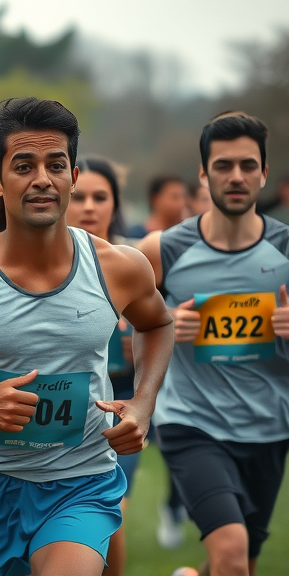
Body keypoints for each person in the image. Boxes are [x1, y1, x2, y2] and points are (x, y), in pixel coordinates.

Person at [0, 97, 174, 576]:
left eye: (56, 165)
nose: (42, 180)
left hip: (83, 481)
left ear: (73, 174)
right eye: (24, 166)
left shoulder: (119, 266)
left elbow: (157, 323)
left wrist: (143, 401)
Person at [137, 111, 289, 576]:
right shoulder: (162, 250)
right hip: (192, 424)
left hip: (268, 427)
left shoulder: (286, 250)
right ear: (204, 175)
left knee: (241, 561)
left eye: (247, 165)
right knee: (230, 552)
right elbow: (117, 326)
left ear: (264, 172)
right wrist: (164, 323)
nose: (236, 176)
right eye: (223, 166)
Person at [65, 154, 137, 576]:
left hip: (117, 410)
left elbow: (163, 326)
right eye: (82, 197)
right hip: (55, 413)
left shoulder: (133, 263)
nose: (90, 207)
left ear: (115, 203)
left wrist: (136, 345)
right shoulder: (40, 263)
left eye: (101, 197)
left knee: (114, 516)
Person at [125, 175, 187, 239]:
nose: (181, 203)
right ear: (155, 199)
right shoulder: (134, 235)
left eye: (183, 197)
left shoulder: (185, 235)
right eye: (175, 197)